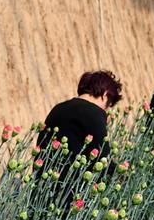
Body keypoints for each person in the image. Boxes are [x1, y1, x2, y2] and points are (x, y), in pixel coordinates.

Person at [37, 70, 123, 208]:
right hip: (68, 200)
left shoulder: (58, 108)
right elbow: (102, 158)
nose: (106, 110)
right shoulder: (95, 113)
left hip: (41, 193)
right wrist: (123, 175)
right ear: (105, 94)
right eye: (109, 104)